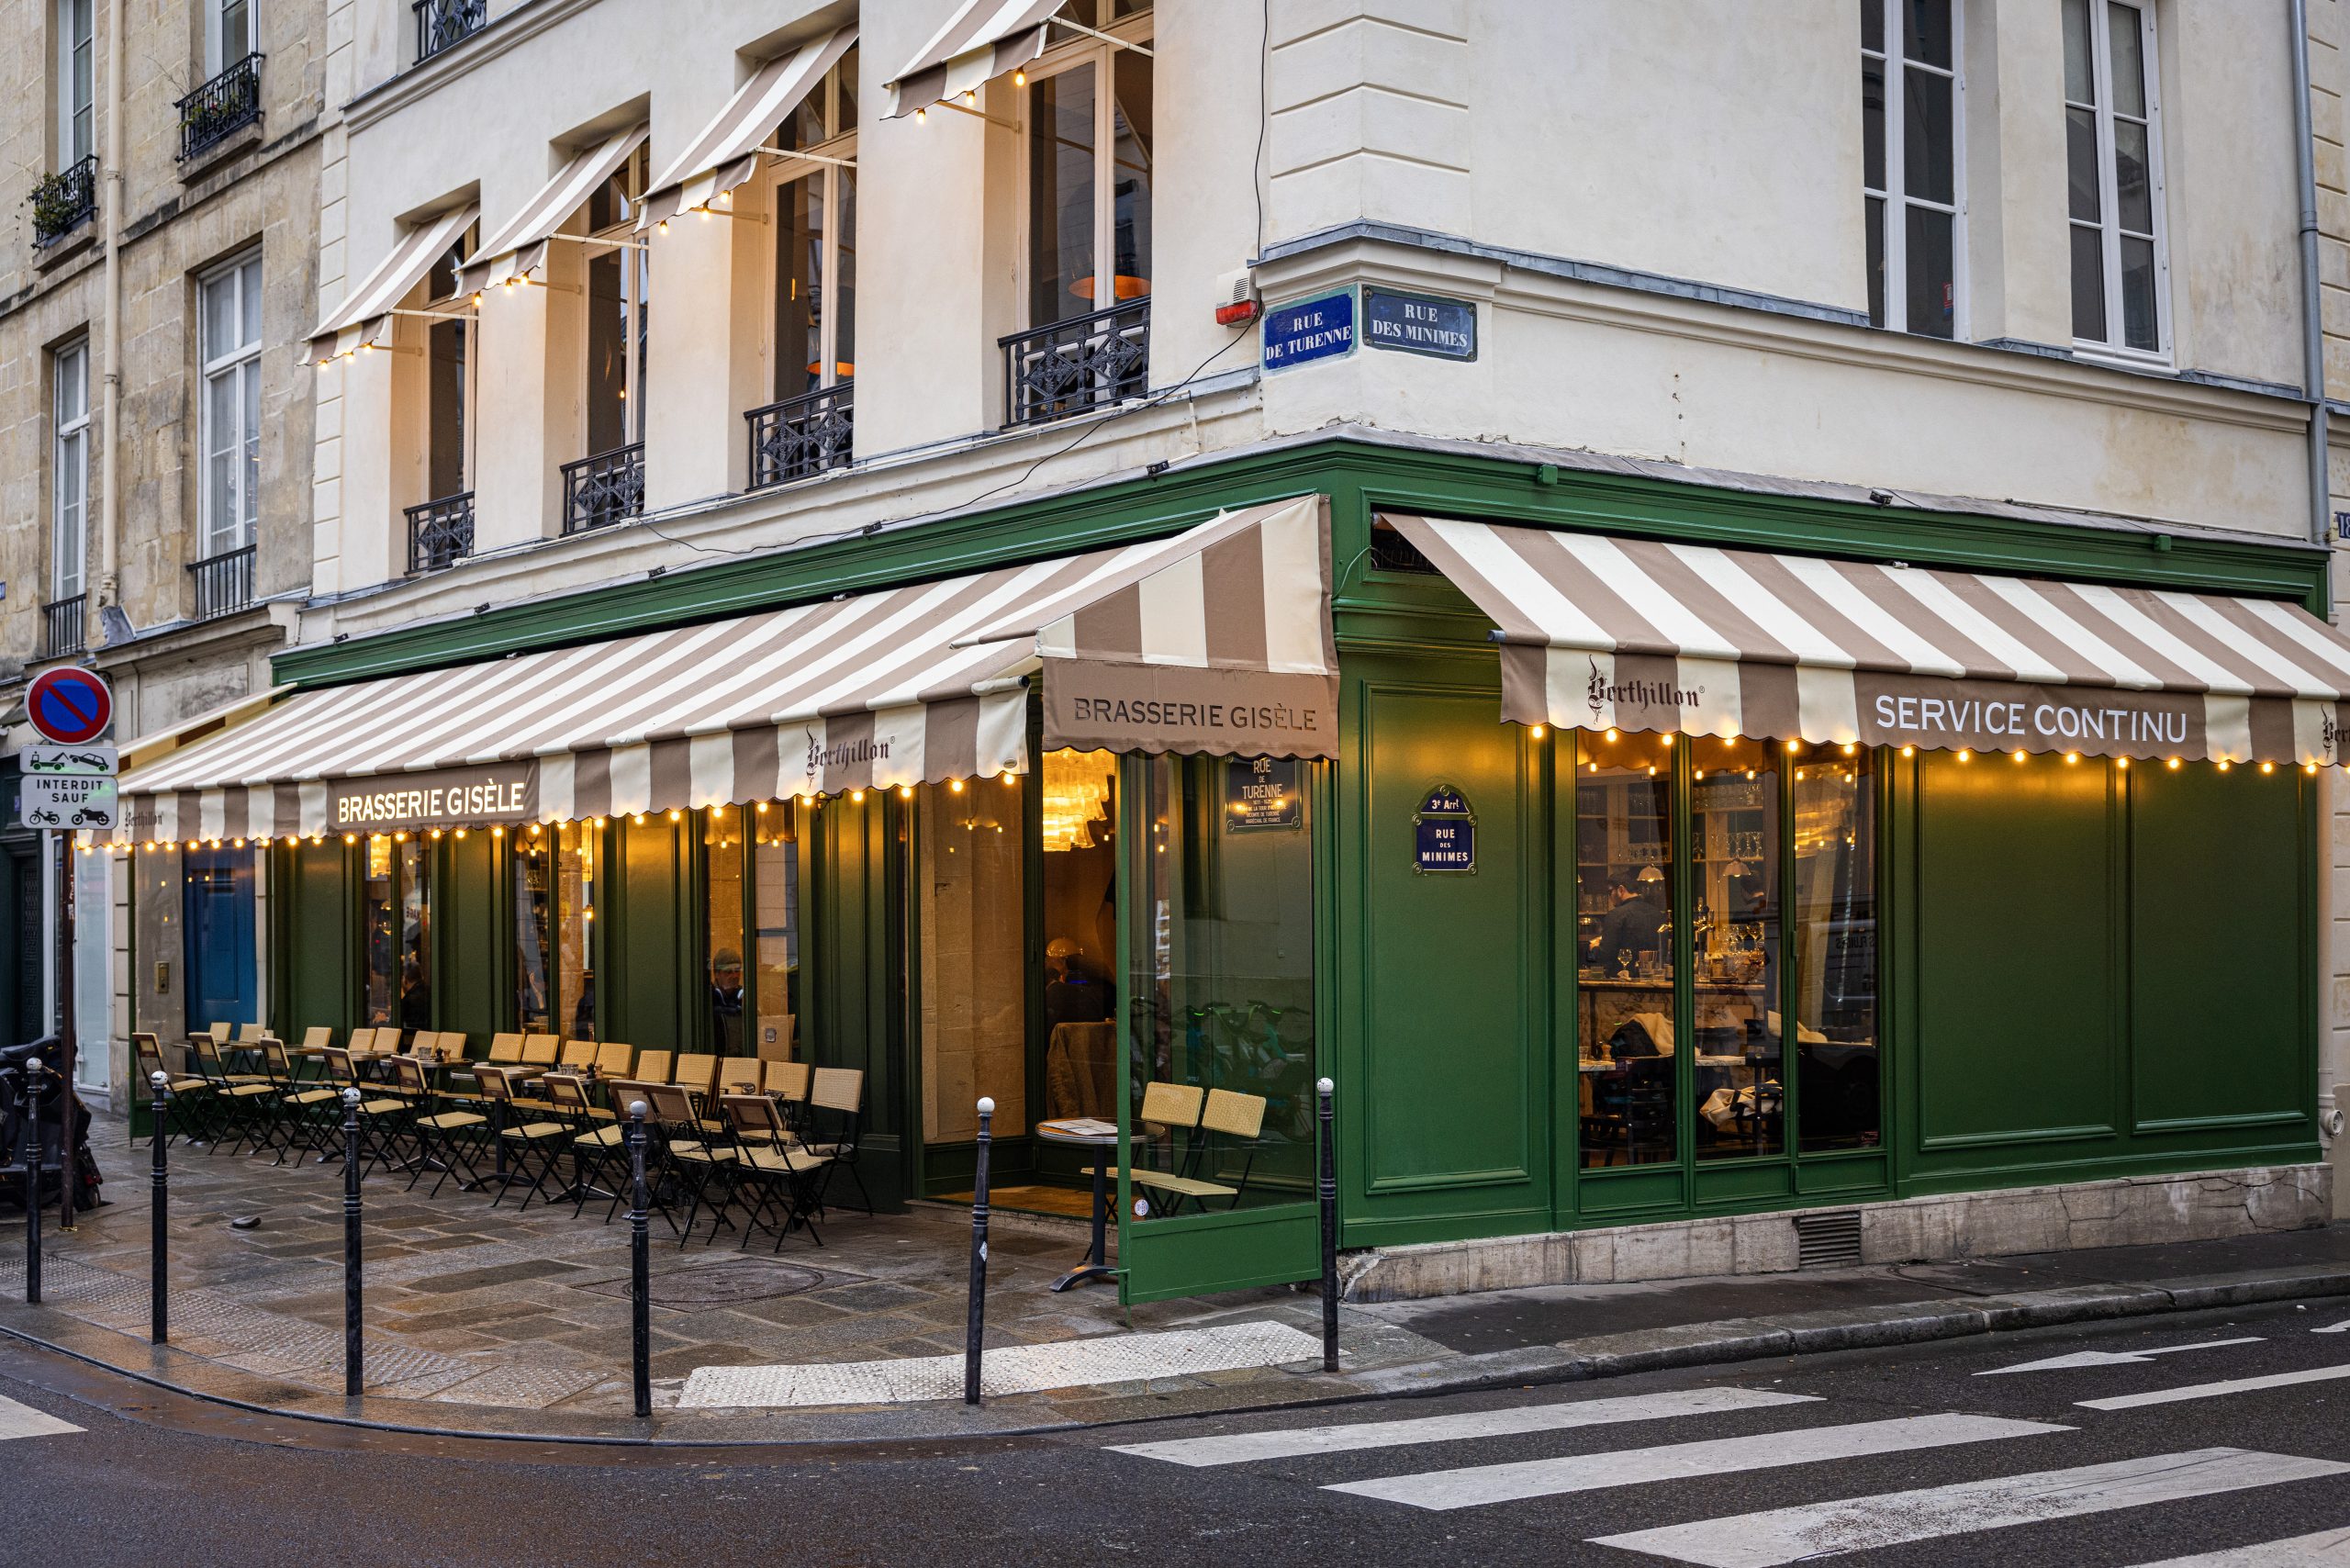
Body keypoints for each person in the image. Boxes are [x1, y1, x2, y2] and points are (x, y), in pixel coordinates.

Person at [1588, 871, 1669, 974]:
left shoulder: (1616, 915)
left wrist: (1592, 949)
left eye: (1610, 892)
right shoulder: (1658, 914)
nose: (1610, 896)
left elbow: (1605, 956)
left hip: (1622, 980)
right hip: (1654, 977)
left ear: (1621, 890)